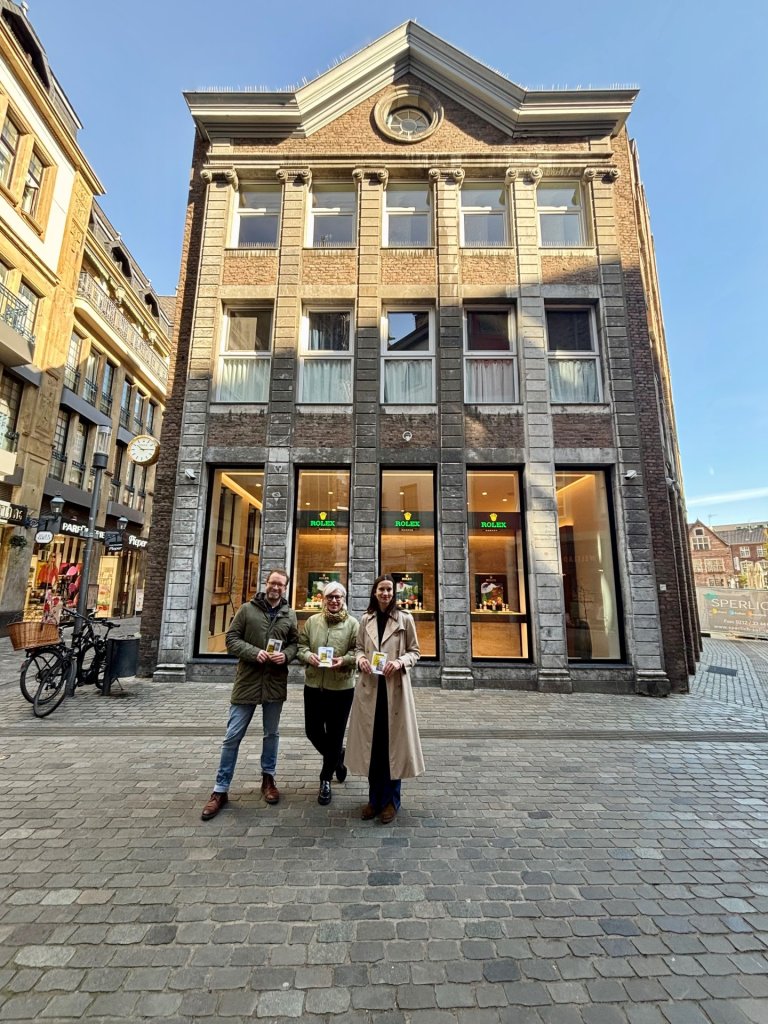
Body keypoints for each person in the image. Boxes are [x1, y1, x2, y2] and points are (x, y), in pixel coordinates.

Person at [201, 568, 298, 821]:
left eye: (281, 585)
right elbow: (231, 639)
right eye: (272, 583)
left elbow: (295, 644)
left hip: (275, 683)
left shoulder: (289, 614)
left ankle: (268, 779)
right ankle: (220, 789)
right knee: (232, 737)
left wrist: (285, 655)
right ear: (265, 584)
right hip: (247, 682)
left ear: (285, 588)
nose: (276, 588)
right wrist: (254, 652)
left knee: (271, 734)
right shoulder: (247, 610)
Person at [346, 574, 424, 824]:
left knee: (393, 747)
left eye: (389, 589)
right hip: (370, 691)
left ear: (394, 593)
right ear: (374, 592)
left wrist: (400, 661)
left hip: (394, 692)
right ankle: (374, 799)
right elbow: (358, 648)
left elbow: (415, 651)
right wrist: (360, 659)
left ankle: (391, 800)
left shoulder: (405, 619)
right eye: (381, 589)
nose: (385, 593)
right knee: (373, 746)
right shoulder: (365, 619)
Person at [297, 581, 359, 806]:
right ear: (323, 599)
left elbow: (359, 652)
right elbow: (300, 646)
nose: (334, 601)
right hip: (314, 686)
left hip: (341, 689)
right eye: (330, 597)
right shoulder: (313, 621)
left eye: (338, 597)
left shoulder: (353, 624)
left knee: (334, 734)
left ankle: (325, 779)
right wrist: (307, 657)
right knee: (312, 731)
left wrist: (344, 660)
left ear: (344, 599)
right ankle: (338, 758)